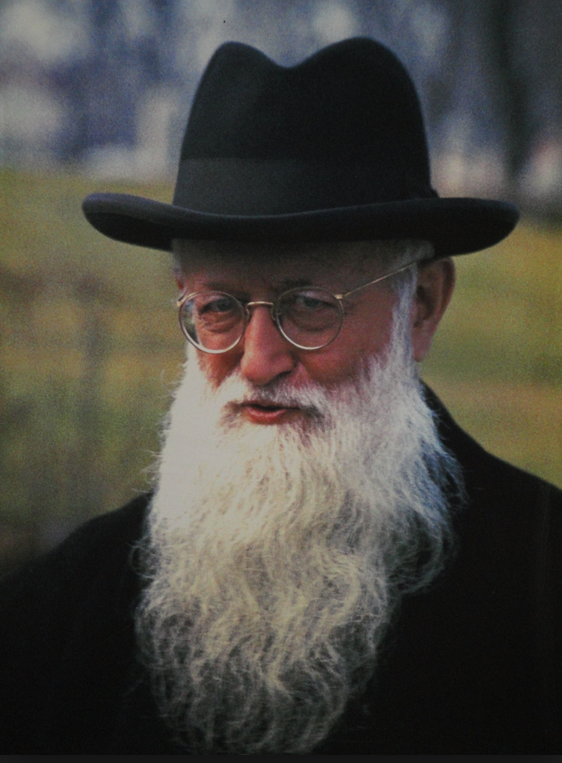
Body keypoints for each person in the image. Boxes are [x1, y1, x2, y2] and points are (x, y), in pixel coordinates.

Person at [0, 38, 560, 755]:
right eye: (220, 308)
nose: (259, 360)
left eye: (310, 304)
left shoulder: (541, 589)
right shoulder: (59, 611)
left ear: (420, 306)